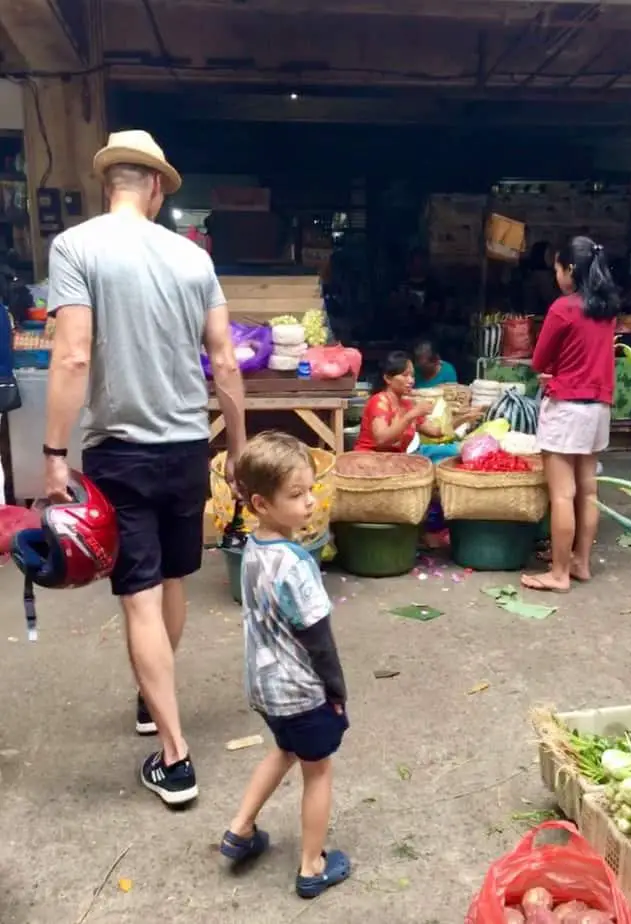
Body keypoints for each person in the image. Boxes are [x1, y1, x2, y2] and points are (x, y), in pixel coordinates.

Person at [44, 130, 246, 806]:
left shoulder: (77, 247)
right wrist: (238, 449)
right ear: (157, 188)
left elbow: (72, 357)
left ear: (112, 185)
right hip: (188, 446)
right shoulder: (194, 259)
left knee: (139, 595)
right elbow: (223, 362)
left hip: (121, 452)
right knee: (174, 578)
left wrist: (52, 454)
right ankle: (149, 697)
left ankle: (175, 756)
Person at [220, 432, 350, 899]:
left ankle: (240, 829)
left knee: (284, 751)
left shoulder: (252, 549)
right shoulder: (296, 565)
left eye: (310, 490)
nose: (310, 503)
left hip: (265, 688)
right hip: (301, 691)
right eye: (296, 496)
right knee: (318, 770)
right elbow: (319, 640)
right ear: (261, 502)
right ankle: (312, 865)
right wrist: (336, 691)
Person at [521, 236, 620, 594]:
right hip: (598, 407)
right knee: (588, 491)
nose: (556, 276)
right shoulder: (606, 308)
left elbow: (540, 361)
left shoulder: (564, 307)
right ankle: (581, 562)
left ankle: (559, 573)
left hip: (566, 407)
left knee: (562, 494)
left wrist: (551, 373)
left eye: (558, 269)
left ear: (569, 271)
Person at [354, 351, 443, 452]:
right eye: (405, 375)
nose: (411, 381)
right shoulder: (379, 401)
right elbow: (382, 440)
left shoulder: (408, 404)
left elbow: (435, 432)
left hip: (395, 461)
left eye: (412, 376)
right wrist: (411, 415)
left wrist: (462, 416)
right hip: (369, 460)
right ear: (388, 378)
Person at [522, 241, 559, 316]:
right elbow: (551, 298)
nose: (553, 257)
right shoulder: (541, 275)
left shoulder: (533, 273)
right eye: (550, 254)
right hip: (538, 317)